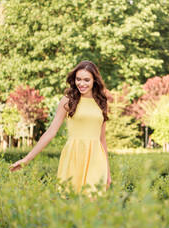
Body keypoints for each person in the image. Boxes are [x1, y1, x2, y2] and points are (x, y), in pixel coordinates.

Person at [8, 60, 112, 199]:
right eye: (78, 79)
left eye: (87, 80)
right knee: (71, 203)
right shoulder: (68, 100)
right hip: (74, 156)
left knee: (92, 205)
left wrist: (108, 172)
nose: (82, 84)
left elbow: (102, 139)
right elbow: (51, 132)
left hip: (95, 159)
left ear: (95, 81)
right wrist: (26, 159)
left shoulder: (102, 102)